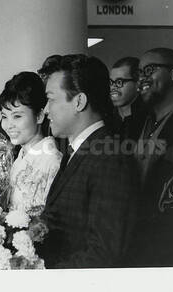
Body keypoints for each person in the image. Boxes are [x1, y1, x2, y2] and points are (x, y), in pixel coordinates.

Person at [39, 54, 138, 268]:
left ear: (79, 101)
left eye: (51, 99)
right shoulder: (78, 150)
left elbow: (103, 253)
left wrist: (43, 278)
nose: (46, 110)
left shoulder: (110, 158)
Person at [127, 48, 173, 267]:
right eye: (139, 72)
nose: (143, 77)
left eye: (150, 69)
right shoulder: (136, 123)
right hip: (134, 238)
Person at [0, 71, 61, 213]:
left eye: (17, 116)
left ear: (39, 116)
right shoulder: (19, 157)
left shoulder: (52, 161)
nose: (9, 125)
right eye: (4, 117)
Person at [110, 57, 146, 144]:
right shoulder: (107, 120)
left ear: (138, 83)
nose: (113, 87)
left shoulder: (148, 119)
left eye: (119, 82)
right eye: (111, 82)